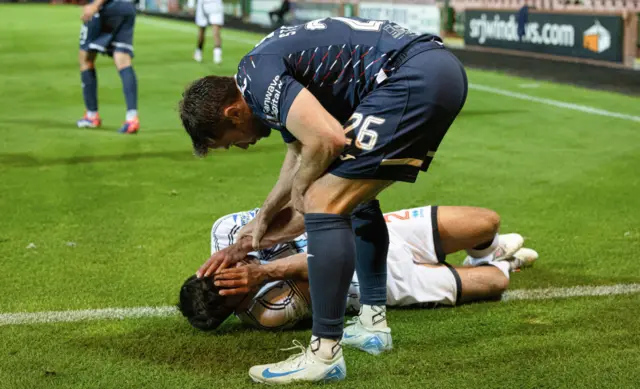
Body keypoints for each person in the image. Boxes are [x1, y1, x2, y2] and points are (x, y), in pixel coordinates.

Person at [178, 17, 468, 384]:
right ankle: (372, 324)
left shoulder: (257, 80)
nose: (243, 145)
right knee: (350, 199)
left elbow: (328, 140)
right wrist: (260, 223)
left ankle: (324, 353)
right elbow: (299, 156)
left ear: (232, 113)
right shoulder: (257, 76)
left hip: (411, 78)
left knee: (323, 202)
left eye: (231, 140)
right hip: (429, 70)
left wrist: (304, 192)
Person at [179, 204, 538, 334]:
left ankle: (488, 250)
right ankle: (503, 262)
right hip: (382, 282)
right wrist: (264, 273)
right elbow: (330, 261)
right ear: (235, 307)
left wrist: (245, 246)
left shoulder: (224, 231)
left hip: (374, 230)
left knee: (486, 222)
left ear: (207, 268)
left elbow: (294, 215)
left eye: (225, 271)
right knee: (495, 283)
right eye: (235, 288)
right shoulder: (267, 312)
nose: (239, 270)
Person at [77, 0, 139, 134]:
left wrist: (95, 4)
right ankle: (132, 118)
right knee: (123, 59)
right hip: (128, 6)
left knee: (85, 59)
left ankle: (92, 115)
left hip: (107, 7)